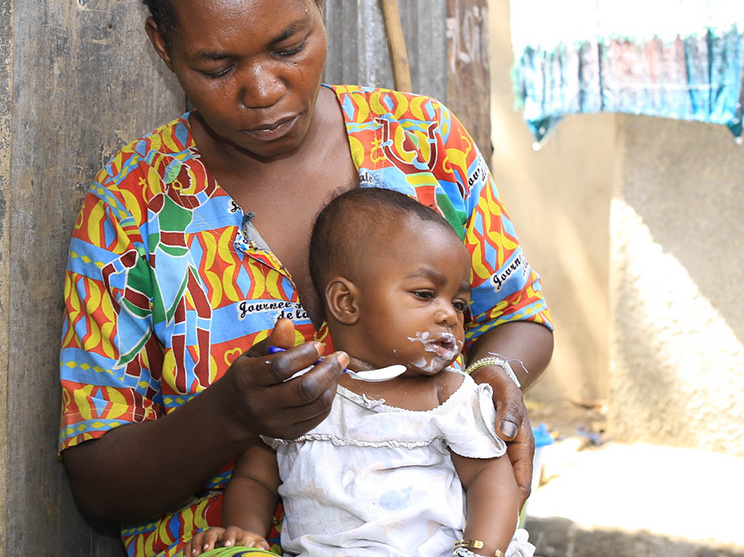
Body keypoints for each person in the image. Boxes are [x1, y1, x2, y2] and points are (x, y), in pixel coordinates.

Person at [58, 0, 553, 555]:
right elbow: (98, 484)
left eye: (288, 45)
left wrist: (488, 382)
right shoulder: (130, 208)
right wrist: (229, 414)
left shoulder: (423, 144)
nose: (262, 89)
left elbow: (521, 318)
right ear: (163, 50)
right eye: (217, 64)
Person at [186, 188, 535, 557]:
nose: (451, 315)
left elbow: (490, 478)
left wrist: (480, 549)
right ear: (347, 303)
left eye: (460, 303)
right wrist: (246, 534)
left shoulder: (448, 396)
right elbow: (255, 478)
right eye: (424, 294)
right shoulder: (304, 394)